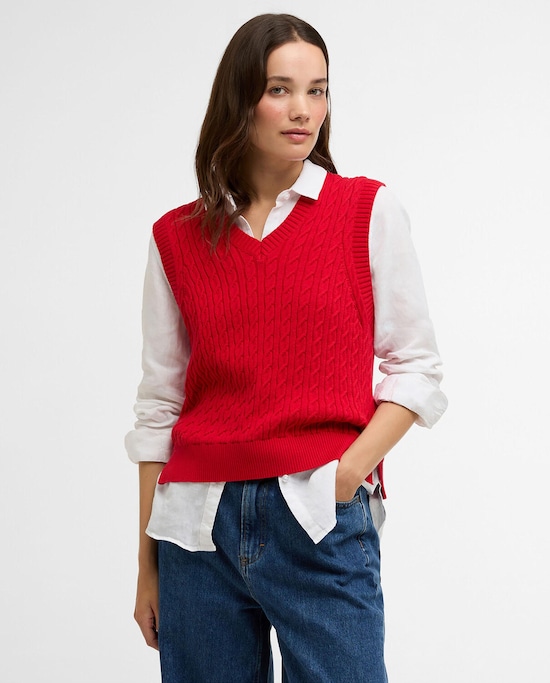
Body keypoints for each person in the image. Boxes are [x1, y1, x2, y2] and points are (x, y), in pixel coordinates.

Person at [125, 13, 447, 683]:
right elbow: (159, 406)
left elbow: (416, 369)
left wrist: (346, 473)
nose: (304, 110)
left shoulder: (365, 211)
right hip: (194, 530)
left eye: (317, 90)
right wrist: (146, 565)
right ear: (239, 99)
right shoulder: (176, 238)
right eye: (280, 89)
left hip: (318, 514)